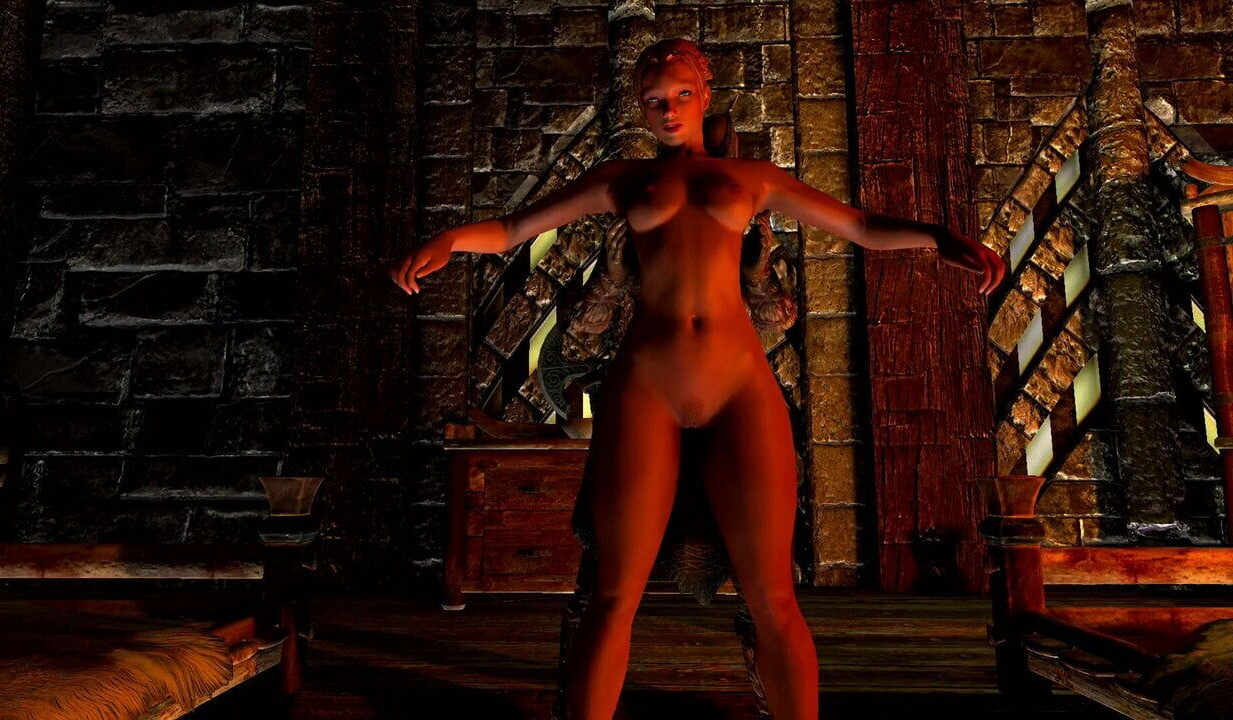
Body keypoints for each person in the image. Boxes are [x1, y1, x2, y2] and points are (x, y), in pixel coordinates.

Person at [391, 37, 1004, 720]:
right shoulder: (623, 179)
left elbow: (859, 225)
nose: (670, 109)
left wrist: (939, 237)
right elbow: (512, 228)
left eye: (682, 94)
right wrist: (448, 241)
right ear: (640, 107)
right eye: (655, 100)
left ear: (706, 93)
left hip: (737, 385)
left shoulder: (752, 177)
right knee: (615, 595)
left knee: (773, 597)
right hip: (648, 385)